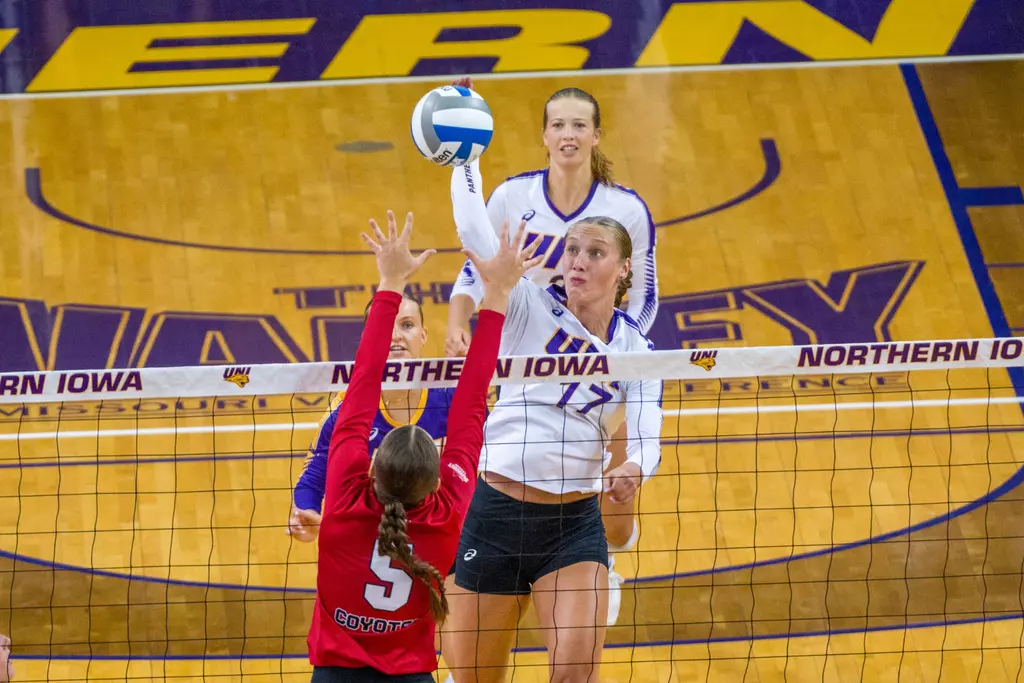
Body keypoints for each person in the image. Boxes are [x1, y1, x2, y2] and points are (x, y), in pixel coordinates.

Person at [444, 81, 658, 627]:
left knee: (614, 503)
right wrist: (465, 160)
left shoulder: (627, 213)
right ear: (543, 134)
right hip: (527, 356)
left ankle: (602, 561)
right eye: (557, 124)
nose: (567, 134)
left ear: (595, 135)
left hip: (606, 379)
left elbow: (649, 412)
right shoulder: (531, 291)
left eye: (578, 125)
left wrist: (612, 352)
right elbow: (473, 242)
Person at [305, 209, 542, 682]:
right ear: (436, 481)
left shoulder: (343, 510)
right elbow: (474, 402)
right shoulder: (446, 522)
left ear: (369, 470)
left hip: (334, 673)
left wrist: (390, 280)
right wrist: (497, 293)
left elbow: (362, 386)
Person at [287, 294, 452, 543]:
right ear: (370, 338)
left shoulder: (450, 397)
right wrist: (304, 513)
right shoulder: (347, 408)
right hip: (372, 538)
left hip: (439, 532)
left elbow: (493, 452)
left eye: (407, 325)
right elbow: (314, 474)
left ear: (423, 335)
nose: (396, 335)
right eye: (386, 327)